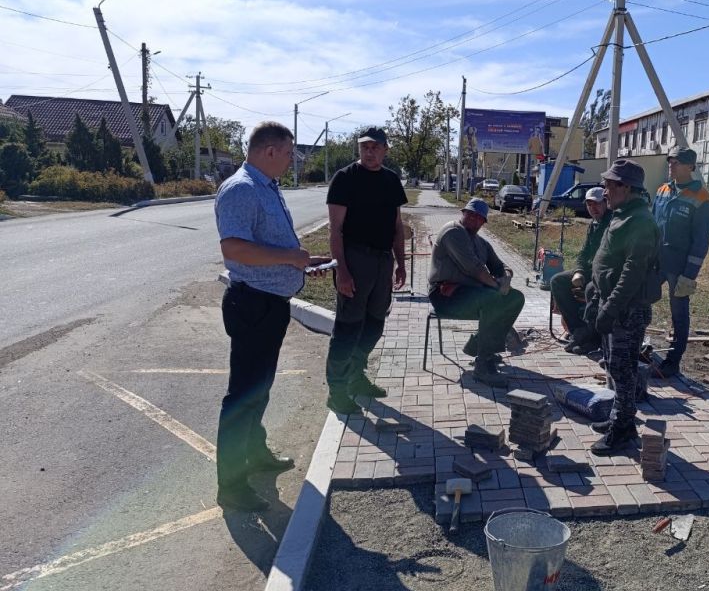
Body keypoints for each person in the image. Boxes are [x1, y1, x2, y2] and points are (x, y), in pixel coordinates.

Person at [214, 121, 332, 511]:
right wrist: (289, 258)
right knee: (242, 397)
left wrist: (301, 262)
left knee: (259, 388)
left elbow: (269, 245)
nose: (291, 160)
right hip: (252, 304)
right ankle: (231, 487)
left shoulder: (265, 186)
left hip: (270, 302)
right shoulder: (242, 189)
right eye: (288, 153)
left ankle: (255, 452)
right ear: (269, 151)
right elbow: (234, 249)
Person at [325, 127, 408, 414]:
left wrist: (401, 263)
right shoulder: (345, 179)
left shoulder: (391, 181)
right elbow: (335, 230)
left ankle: (356, 377)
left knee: (374, 324)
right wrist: (343, 271)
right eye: (365, 147)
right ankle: (337, 392)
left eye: (375, 147)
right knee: (348, 328)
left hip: (383, 261)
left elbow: (397, 226)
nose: (369, 152)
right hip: (355, 259)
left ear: (385, 149)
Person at [589, 159, 661, 455]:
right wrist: (596, 289)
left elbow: (633, 273)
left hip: (627, 309)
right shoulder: (622, 215)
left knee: (623, 369)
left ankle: (622, 430)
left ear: (626, 187)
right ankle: (623, 421)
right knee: (617, 368)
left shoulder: (640, 221)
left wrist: (611, 308)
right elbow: (609, 258)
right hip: (614, 303)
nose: (605, 191)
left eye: (609, 185)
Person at [428, 198, 525, 386]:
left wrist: (506, 278)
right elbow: (474, 269)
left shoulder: (481, 242)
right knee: (494, 299)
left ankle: (479, 345)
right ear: (463, 213)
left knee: (515, 298)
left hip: (470, 293)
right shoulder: (453, 232)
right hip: (445, 294)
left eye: (478, 217)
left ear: (483, 221)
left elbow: (499, 265)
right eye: (470, 214)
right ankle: (483, 364)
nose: (473, 219)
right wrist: (497, 287)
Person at [651, 146, 709, 377]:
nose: (671, 166)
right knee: (640, 300)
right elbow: (652, 224)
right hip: (657, 261)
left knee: (679, 314)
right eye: (670, 162)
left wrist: (690, 274)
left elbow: (701, 240)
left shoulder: (701, 197)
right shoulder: (663, 190)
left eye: (676, 162)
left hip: (680, 267)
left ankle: (673, 361)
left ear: (690, 166)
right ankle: (636, 345)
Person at [549, 187, 611, 354]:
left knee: (591, 289)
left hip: (606, 272)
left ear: (606, 203)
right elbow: (584, 253)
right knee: (557, 281)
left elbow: (608, 257)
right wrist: (579, 271)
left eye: (597, 204)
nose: (593, 208)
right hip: (590, 270)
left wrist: (589, 274)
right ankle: (579, 331)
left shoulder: (611, 223)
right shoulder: (593, 224)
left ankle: (593, 337)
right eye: (589, 205)